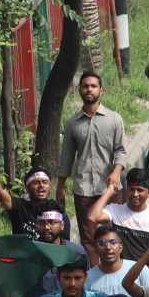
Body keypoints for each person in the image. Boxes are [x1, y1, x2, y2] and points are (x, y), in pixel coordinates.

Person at [56, 71, 128, 244]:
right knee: (88, 238)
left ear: (101, 90)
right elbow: (66, 157)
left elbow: (121, 150)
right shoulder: (72, 123)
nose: (89, 89)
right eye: (85, 86)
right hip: (83, 189)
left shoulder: (114, 119)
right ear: (79, 90)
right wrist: (60, 186)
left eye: (93, 86)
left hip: (110, 189)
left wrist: (116, 171)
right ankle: (92, 262)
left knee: (113, 235)